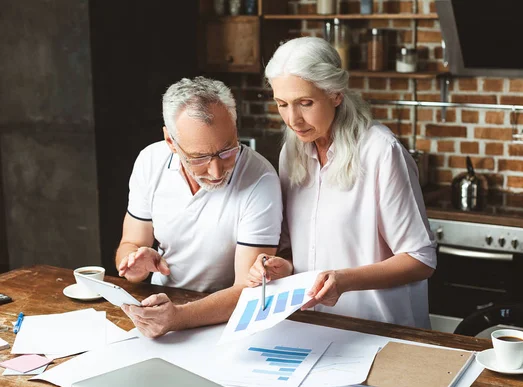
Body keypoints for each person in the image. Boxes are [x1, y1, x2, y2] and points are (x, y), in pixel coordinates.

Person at [246, 37, 437, 328]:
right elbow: (297, 248)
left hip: (382, 331)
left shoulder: (380, 151)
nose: (293, 119)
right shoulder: (292, 152)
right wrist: (280, 266)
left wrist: (343, 280)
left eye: (305, 103)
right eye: (282, 104)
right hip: (316, 329)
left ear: (335, 94)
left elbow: (420, 260)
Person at [116, 76, 283, 337]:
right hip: (160, 306)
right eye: (199, 158)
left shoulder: (260, 179)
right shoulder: (150, 161)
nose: (216, 171)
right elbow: (129, 244)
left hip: (225, 318)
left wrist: (178, 317)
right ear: (170, 141)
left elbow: (248, 289)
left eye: (227, 150)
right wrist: (135, 266)